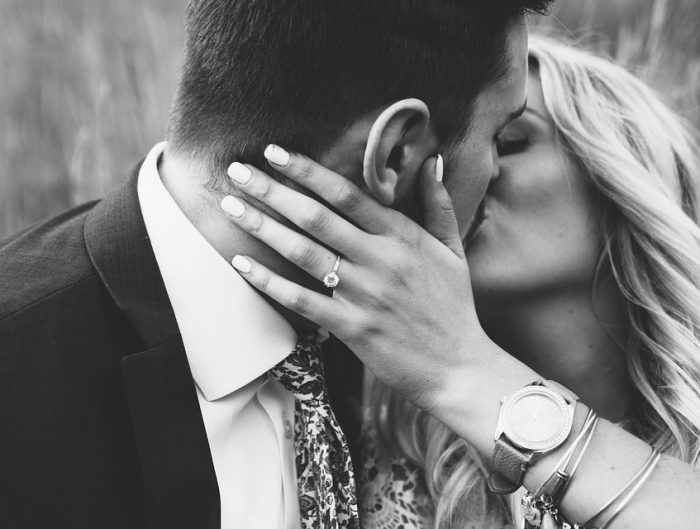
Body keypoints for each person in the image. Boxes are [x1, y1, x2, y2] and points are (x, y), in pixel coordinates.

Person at [0, 1, 553, 528]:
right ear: (397, 154)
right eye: (498, 136)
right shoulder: (20, 375)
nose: (498, 170)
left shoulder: (400, 340)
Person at [219, 35, 700, 528]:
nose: (467, 172)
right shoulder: (367, 436)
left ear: (623, 176)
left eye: (507, 143)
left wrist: (469, 373)